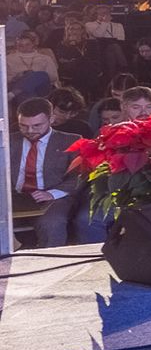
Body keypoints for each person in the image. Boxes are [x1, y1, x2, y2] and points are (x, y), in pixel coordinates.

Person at [13, 97, 88, 247]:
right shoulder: (7, 141)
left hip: (53, 197)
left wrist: (52, 193)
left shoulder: (70, 141)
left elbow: (81, 175)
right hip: (14, 197)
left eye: (37, 125)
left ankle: (51, 263)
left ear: (51, 119)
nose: (30, 131)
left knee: (52, 224)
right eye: (23, 126)